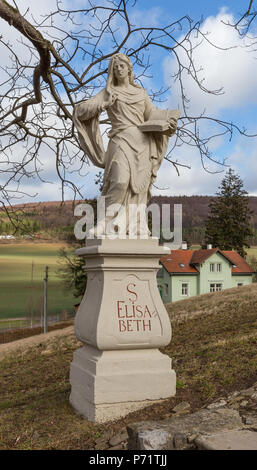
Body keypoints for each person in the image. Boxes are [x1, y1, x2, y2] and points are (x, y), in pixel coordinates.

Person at [73, 53, 179, 237]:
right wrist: (103, 105)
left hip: (143, 143)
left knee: (139, 188)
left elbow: (152, 114)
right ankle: (105, 223)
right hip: (121, 140)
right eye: (115, 67)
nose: (119, 69)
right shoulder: (109, 92)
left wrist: (168, 121)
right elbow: (81, 111)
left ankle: (135, 226)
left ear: (129, 68)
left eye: (122, 65)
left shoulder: (140, 93)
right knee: (120, 181)